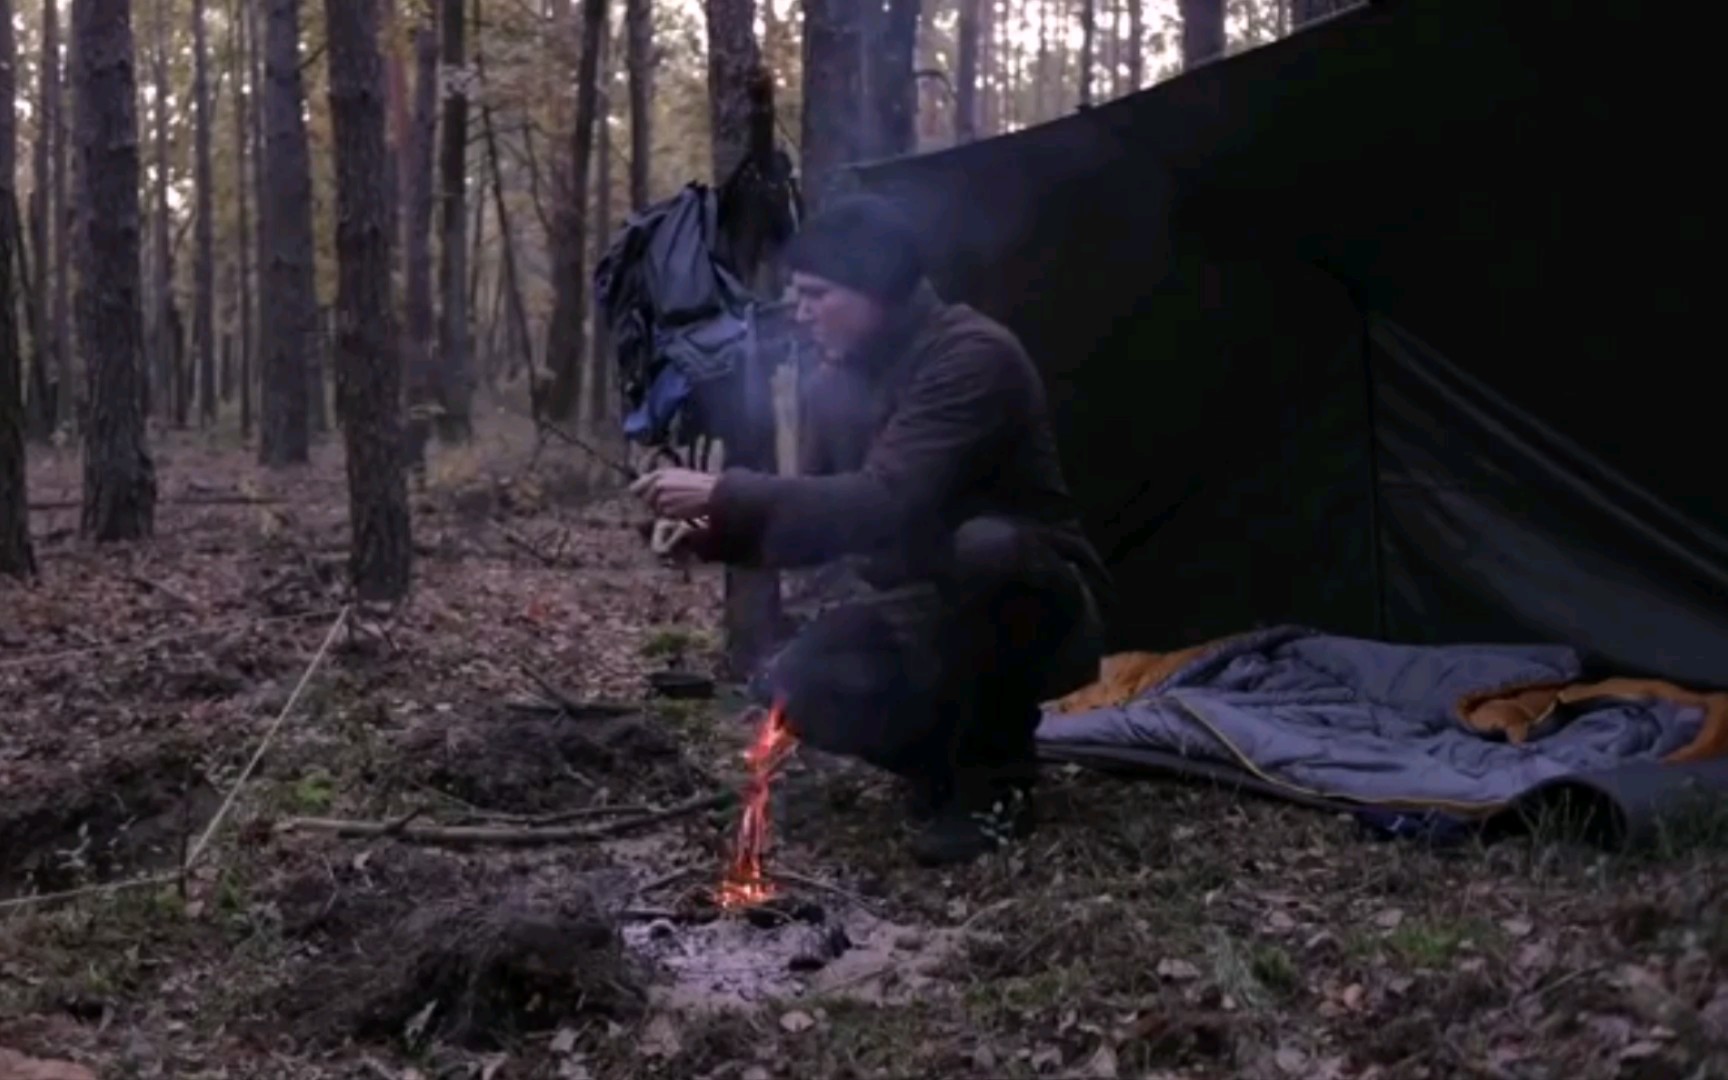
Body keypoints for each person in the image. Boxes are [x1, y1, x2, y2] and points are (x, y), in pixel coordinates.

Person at [630, 194, 1112, 866]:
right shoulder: (844, 379)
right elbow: (825, 518)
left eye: (816, 294)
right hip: (925, 611)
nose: (799, 312)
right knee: (796, 684)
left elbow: (887, 500)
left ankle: (997, 785)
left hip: (1034, 601)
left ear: (876, 289)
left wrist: (725, 493)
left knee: (987, 551)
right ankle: (945, 767)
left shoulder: (971, 358)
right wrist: (708, 527)